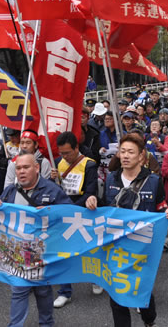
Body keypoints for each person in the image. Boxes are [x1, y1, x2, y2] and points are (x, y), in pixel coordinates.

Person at [85, 133, 168, 327]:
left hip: (142, 249)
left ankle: (149, 320)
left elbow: (161, 207)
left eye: (131, 152)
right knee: (116, 295)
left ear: (141, 155)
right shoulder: (111, 178)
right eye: (123, 151)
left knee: (141, 291)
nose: (125, 156)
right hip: (116, 248)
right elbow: (105, 208)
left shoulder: (153, 181)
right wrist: (92, 201)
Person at [0, 153, 72, 327]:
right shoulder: (10, 191)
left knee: (43, 291)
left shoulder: (52, 190)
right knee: (19, 290)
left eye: (26, 167)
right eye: (18, 168)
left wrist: (52, 212)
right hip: (17, 253)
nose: (21, 172)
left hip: (44, 252)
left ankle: (47, 323)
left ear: (37, 168)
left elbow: (70, 214)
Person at [51, 131, 99, 306]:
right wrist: (52, 179)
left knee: (88, 249)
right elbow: (53, 190)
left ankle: (95, 279)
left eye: (68, 153)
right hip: (63, 213)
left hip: (83, 212)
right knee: (63, 252)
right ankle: (65, 291)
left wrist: (71, 208)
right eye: (62, 153)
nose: (65, 156)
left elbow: (90, 192)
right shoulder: (57, 163)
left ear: (76, 148)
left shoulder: (89, 165)